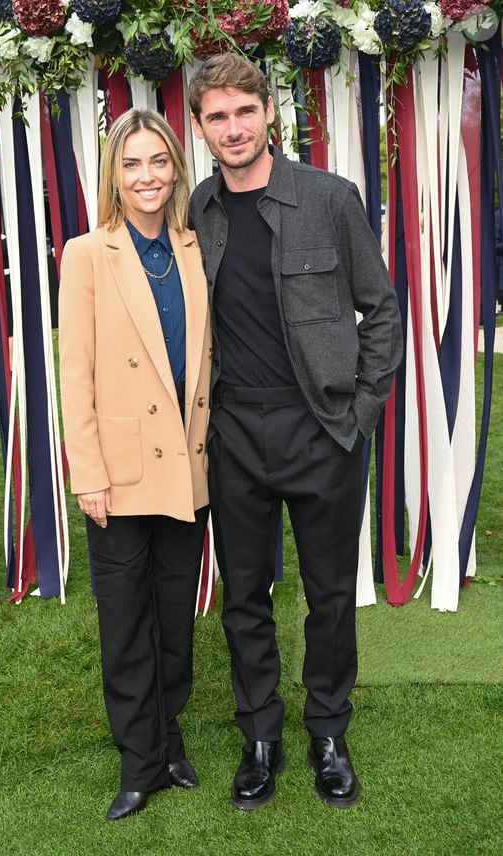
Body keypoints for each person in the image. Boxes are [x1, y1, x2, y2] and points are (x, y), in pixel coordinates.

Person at [188, 54, 403, 810]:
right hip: (234, 432)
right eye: (217, 116)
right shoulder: (200, 211)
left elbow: (382, 309)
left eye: (244, 110)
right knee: (243, 595)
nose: (234, 127)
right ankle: (259, 735)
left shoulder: (329, 199)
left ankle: (328, 733)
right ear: (202, 127)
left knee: (329, 594)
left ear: (268, 110)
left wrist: (363, 410)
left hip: (323, 428)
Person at [59, 108, 212, 821]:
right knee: (125, 620)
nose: (147, 176)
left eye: (158, 161)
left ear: (176, 168)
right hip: (117, 471)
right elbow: (75, 373)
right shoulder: (87, 253)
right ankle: (137, 759)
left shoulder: (194, 244)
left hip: (186, 464)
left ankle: (169, 735)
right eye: (132, 164)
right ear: (113, 176)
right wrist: (86, 471)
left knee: (174, 616)